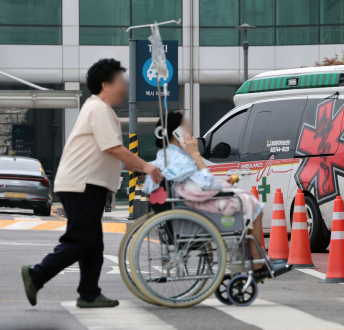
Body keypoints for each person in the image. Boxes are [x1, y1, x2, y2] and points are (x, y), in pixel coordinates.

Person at [21, 59, 163, 308]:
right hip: (82, 184)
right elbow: (114, 148)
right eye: (120, 81)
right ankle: (37, 275)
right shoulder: (98, 109)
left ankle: (88, 293)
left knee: (93, 243)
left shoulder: (101, 110)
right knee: (81, 240)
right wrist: (145, 166)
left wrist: (141, 168)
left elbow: (111, 153)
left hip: (85, 184)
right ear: (106, 84)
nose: (124, 87)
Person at [142, 111, 272, 276]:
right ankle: (256, 262)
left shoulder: (165, 157)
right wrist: (196, 155)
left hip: (185, 204)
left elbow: (197, 183)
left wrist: (224, 182)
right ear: (178, 134)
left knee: (244, 199)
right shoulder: (181, 160)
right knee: (253, 203)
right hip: (198, 207)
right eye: (187, 129)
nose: (191, 134)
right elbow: (209, 186)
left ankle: (248, 260)